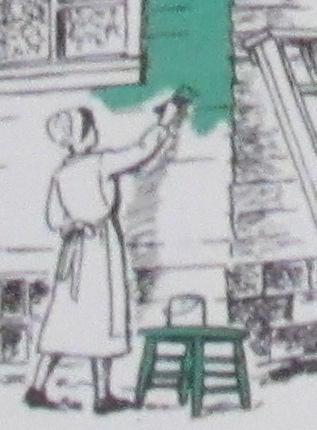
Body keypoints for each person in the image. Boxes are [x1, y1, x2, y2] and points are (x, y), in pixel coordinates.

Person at [24, 93, 192, 411]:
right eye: (90, 129)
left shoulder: (62, 172)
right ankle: (100, 395)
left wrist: (73, 224)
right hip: (98, 248)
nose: (95, 133)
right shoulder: (98, 163)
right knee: (101, 316)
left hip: (75, 248)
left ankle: (40, 386)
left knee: (65, 318)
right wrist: (165, 122)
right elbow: (141, 151)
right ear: (81, 135)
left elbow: (54, 218)